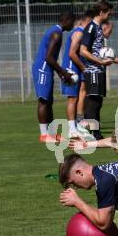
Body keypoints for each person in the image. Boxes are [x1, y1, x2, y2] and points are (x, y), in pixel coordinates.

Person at [80, 1, 118, 140]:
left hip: (99, 70)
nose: (110, 15)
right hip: (93, 71)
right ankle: (90, 133)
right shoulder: (91, 28)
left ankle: (96, 133)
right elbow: (83, 51)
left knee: (98, 102)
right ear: (101, 12)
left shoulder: (98, 28)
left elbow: (100, 52)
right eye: (109, 13)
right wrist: (100, 62)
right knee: (93, 102)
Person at [32, 11, 75, 143]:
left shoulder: (57, 32)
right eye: (72, 21)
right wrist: (64, 73)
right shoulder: (56, 34)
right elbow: (48, 58)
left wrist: (60, 73)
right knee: (43, 100)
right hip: (43, 69)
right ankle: (44, 135)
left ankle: (50, 133)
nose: (73, 24)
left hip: (47, 69)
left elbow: (51, 58)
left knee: (49, 101)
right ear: (67, 20)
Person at [61, 10, 94, 137]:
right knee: (72, 99)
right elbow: (71, 53)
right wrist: (83, 68)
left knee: (81, 95)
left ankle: (78, 125)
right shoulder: (78, 33)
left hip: (77, 69)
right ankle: (71, 129)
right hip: (71, 69)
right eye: (90, 23)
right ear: (84, 21)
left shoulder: (83, 33)